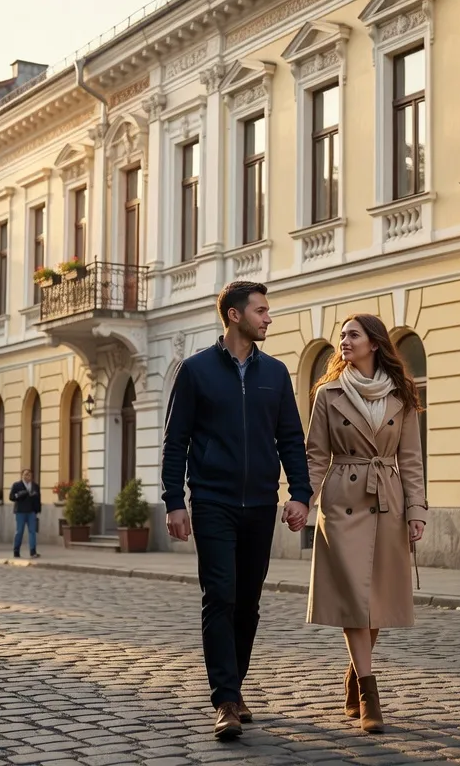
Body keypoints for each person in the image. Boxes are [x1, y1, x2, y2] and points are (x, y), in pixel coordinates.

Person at [161, 281, 312, 740]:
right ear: (234, 315)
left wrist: (300, 494)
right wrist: (174, 501)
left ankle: (236, 687)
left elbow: (290, 439)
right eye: (261, 311)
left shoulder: (276, 373)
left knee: (248, 603)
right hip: (212, 502)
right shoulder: (195, 370)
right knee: (220, 596)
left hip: (261, 504)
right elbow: (175, 441)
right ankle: (225, 699)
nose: (268, 318)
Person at [305, 314, 427, 734]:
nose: (344, 341)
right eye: (342, 335)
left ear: (374, 343)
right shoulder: (328, 393)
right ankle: (370, 693)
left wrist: (416, 510)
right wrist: (302, 500)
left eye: (352, 335)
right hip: (343, 502)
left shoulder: (401, 392)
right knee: (354, 598)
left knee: (375, 599)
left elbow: (411, 458)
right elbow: (315, 455)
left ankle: (353, 676)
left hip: (387, 501)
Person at [8, 468, 41, 559]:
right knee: (19, 531)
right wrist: (19, 494)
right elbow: (11, 497)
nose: (27, 476)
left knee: (32, 531)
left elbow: (38, 499)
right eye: (25, 474)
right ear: (22, 475)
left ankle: (33, 551)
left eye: (29, 474)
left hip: (31, 512)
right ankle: (16, 551)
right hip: (20, 512)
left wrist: (37, 510)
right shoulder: (17, 485)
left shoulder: (35, 486)